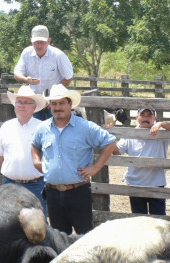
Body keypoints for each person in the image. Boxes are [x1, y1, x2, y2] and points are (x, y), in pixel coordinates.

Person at [31, 84, 117, 235]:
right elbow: (34, 145)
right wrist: (36, 161)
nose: (58, 107)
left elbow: (109, 142)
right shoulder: (43, 128)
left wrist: (95, 168)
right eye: (54, 104)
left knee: (84, 235)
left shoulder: (85, 127)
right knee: (59, 236)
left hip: (78, 192)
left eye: (62, 103)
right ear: (49, 106)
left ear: (70, 104)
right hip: (53, 192)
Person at [113, 106, 170, 216]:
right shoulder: (129, 134)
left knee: (158, 220)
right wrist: (110, 135)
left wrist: (161, 124)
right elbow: (117, 152)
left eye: (149, 115)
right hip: (135, 184)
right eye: (142, 115)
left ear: (155, 118)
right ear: (137, 117)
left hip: (157, 184)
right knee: (139, 220)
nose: (146, 118)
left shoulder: (162, 132)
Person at [0, 86, 47, 210]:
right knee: (8, 223)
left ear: (34, 107)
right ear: (15, 105)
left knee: (38, 223)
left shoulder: (43, 128)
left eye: (26, 103)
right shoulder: (6, 127)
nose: (22, 105)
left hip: (36, 185)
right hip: (9, 184)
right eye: (19, 102)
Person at [13, 25, 74, 120]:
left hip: (54, 101)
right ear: (31, 41)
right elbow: (17, 73)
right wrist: (26, 79)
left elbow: (69, 76)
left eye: (42, 42)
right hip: (34, 100)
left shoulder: (58, 55)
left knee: (55, 128)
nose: (39, 45)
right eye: (36, 42)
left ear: (49, 41)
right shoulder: (26, 53)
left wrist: (55, 95)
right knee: (34, 129)